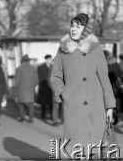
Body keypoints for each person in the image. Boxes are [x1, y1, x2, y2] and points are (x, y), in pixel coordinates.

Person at [50, 13, 116, 159]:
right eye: (72, 25)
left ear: (86, 29)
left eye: (78, 26)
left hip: (95, 106)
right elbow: (55, 77)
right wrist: (63, 93)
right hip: (73, 106)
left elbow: (104, 78)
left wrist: (109, 106)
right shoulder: (63, 49)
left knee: (95, 149)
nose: (73, 29)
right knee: (76, 150)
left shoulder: (95, 49)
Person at [15, 54, 38, 123]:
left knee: (21, 103)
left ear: (22, 61)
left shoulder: (19, 68)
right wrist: (33, 86)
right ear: (28, 61)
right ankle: (31, 119)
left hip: (21, 89)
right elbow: (36, 80)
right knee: (31, 104)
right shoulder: (33, 68)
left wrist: (16, 88)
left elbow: (17, 80)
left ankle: (22, 117)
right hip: (30, 89)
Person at [37, 54, 53, 121]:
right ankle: (43, 114)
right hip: (43, 86)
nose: (50, 60)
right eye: (49, 59)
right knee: (43, 103)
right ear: (46, 60)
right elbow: (39, 77)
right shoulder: (41, 67)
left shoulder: (52, 67)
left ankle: (52, 115)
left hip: (51, 87)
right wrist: (40, 86)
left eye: (51, 59)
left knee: (51, 103)